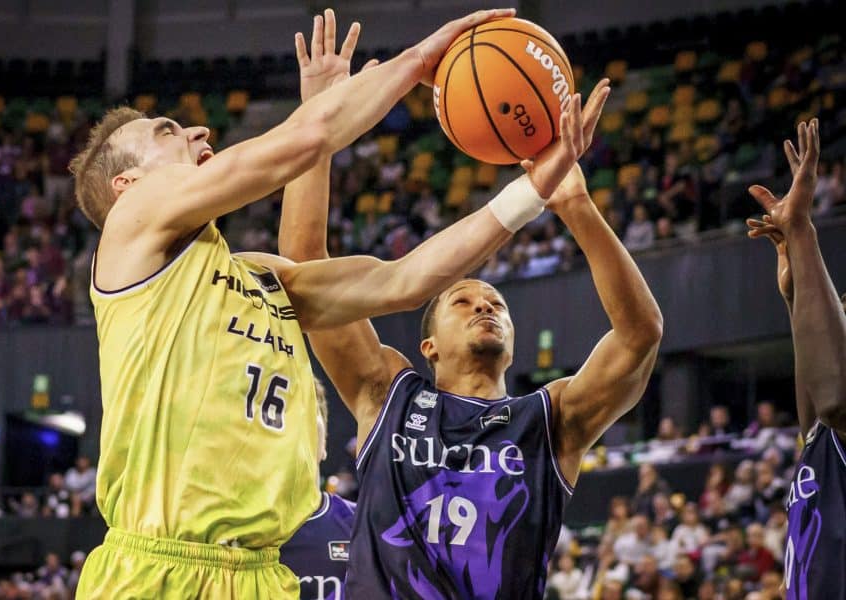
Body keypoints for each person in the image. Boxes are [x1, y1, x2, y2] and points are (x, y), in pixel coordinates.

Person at [69, 7, 601, 598]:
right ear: (127, 185)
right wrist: (420, 61)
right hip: (158, 569)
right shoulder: (132, 228)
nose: (198, 132)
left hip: (262, 576)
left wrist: (534, 188)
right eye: (167, 131)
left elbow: (406, 280)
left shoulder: (265, 278)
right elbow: (304, 141)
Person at [280, 104, 657, 598]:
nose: (485, 307)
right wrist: (318, 116)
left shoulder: (549, 421)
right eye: (463, 301)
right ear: (428, 346)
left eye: (496, 304)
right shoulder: (388, 394)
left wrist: (578, 207)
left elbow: (639, 336)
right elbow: (305, 270)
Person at [745, 118, 846, 599]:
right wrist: (794, 295)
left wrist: (803, 230)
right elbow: (816, 414)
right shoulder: (826, 437)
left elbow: (834, 397)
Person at [280, 382, 355, 600]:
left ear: (324, 443)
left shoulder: (364, 527)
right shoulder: (231, 535)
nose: (296, 425)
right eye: (284, 412)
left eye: (307, 411)